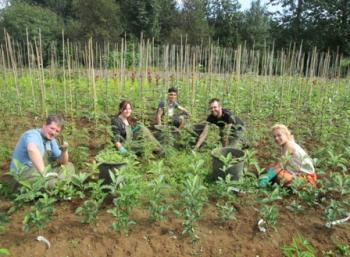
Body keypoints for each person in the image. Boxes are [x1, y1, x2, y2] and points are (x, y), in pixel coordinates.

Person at [10, 115, 74, 185]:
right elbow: (32, 149)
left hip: (40, 172)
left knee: (69, 166)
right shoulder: (33, 134)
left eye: (57, 131)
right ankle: (58, 185)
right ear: (44, 125)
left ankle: (58, 184)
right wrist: (44, 174)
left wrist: (64, 151)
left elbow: (63, 162)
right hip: (24, 174)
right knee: (52, 184)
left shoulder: (51, 140)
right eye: (52, 128)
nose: (53, 132)